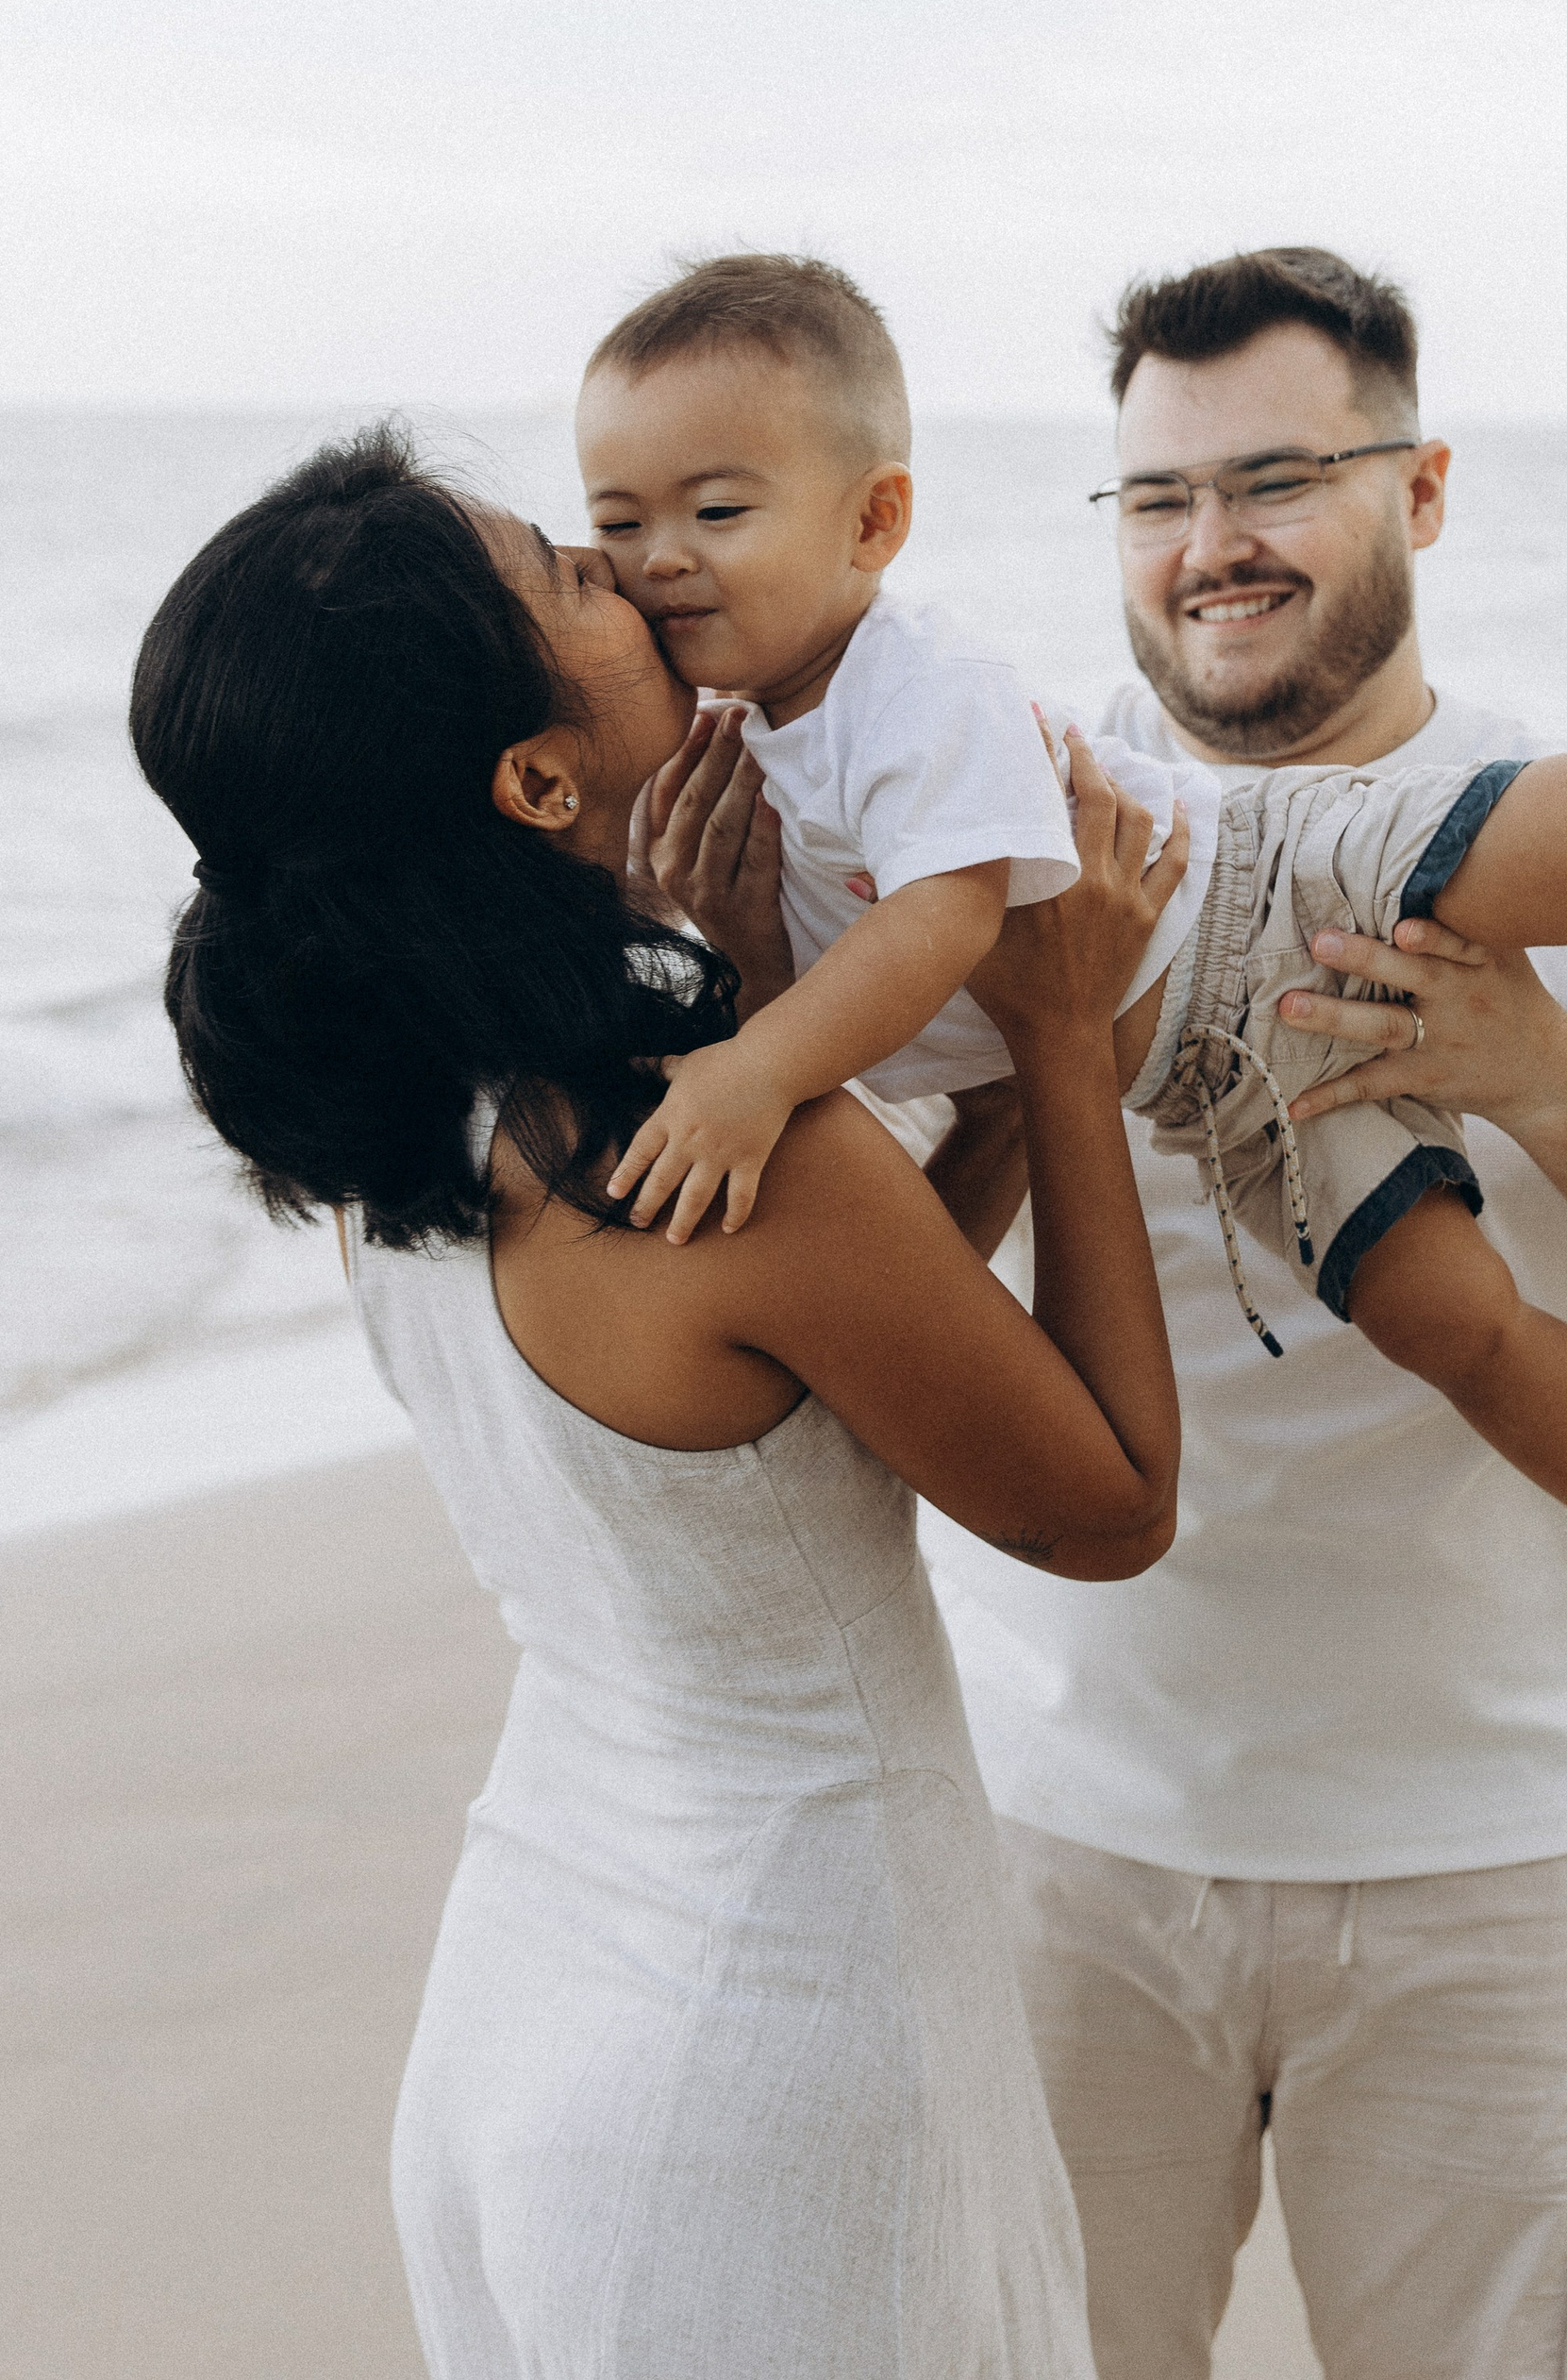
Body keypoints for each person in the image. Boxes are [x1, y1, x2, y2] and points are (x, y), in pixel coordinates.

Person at [646, 249, 1567, 2380]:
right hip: (1065, 1850)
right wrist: (820, 989)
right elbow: (890, 1313)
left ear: (1417, 493)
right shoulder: (998, 809)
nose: (1208, 547)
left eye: (1276, 481)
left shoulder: (1538, 841)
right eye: (1154, 499)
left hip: (1493, 1868)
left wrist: (1534, 1063)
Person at [126, 427, 1193, 2380]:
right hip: (766, 2059)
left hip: (532, 1996)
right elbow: (1104, 1500)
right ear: (532, 778)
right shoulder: (703, 1149)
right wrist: (1054, 1037)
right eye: (572, 569)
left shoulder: (413, 1116)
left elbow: (842, 1365)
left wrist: (814, 1014)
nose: (640, 573)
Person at [580, 253, 1567, 1716]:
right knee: (1450, 1319)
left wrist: (759, 1065)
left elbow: (952, 914)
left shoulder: (904, 684)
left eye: (716, 512)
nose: (662, 558)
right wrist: (731, 962)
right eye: (613, 527)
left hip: (1261, 879)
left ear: (873, 522)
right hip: (1220, 1080)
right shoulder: (730, 759)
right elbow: (886, 1116)